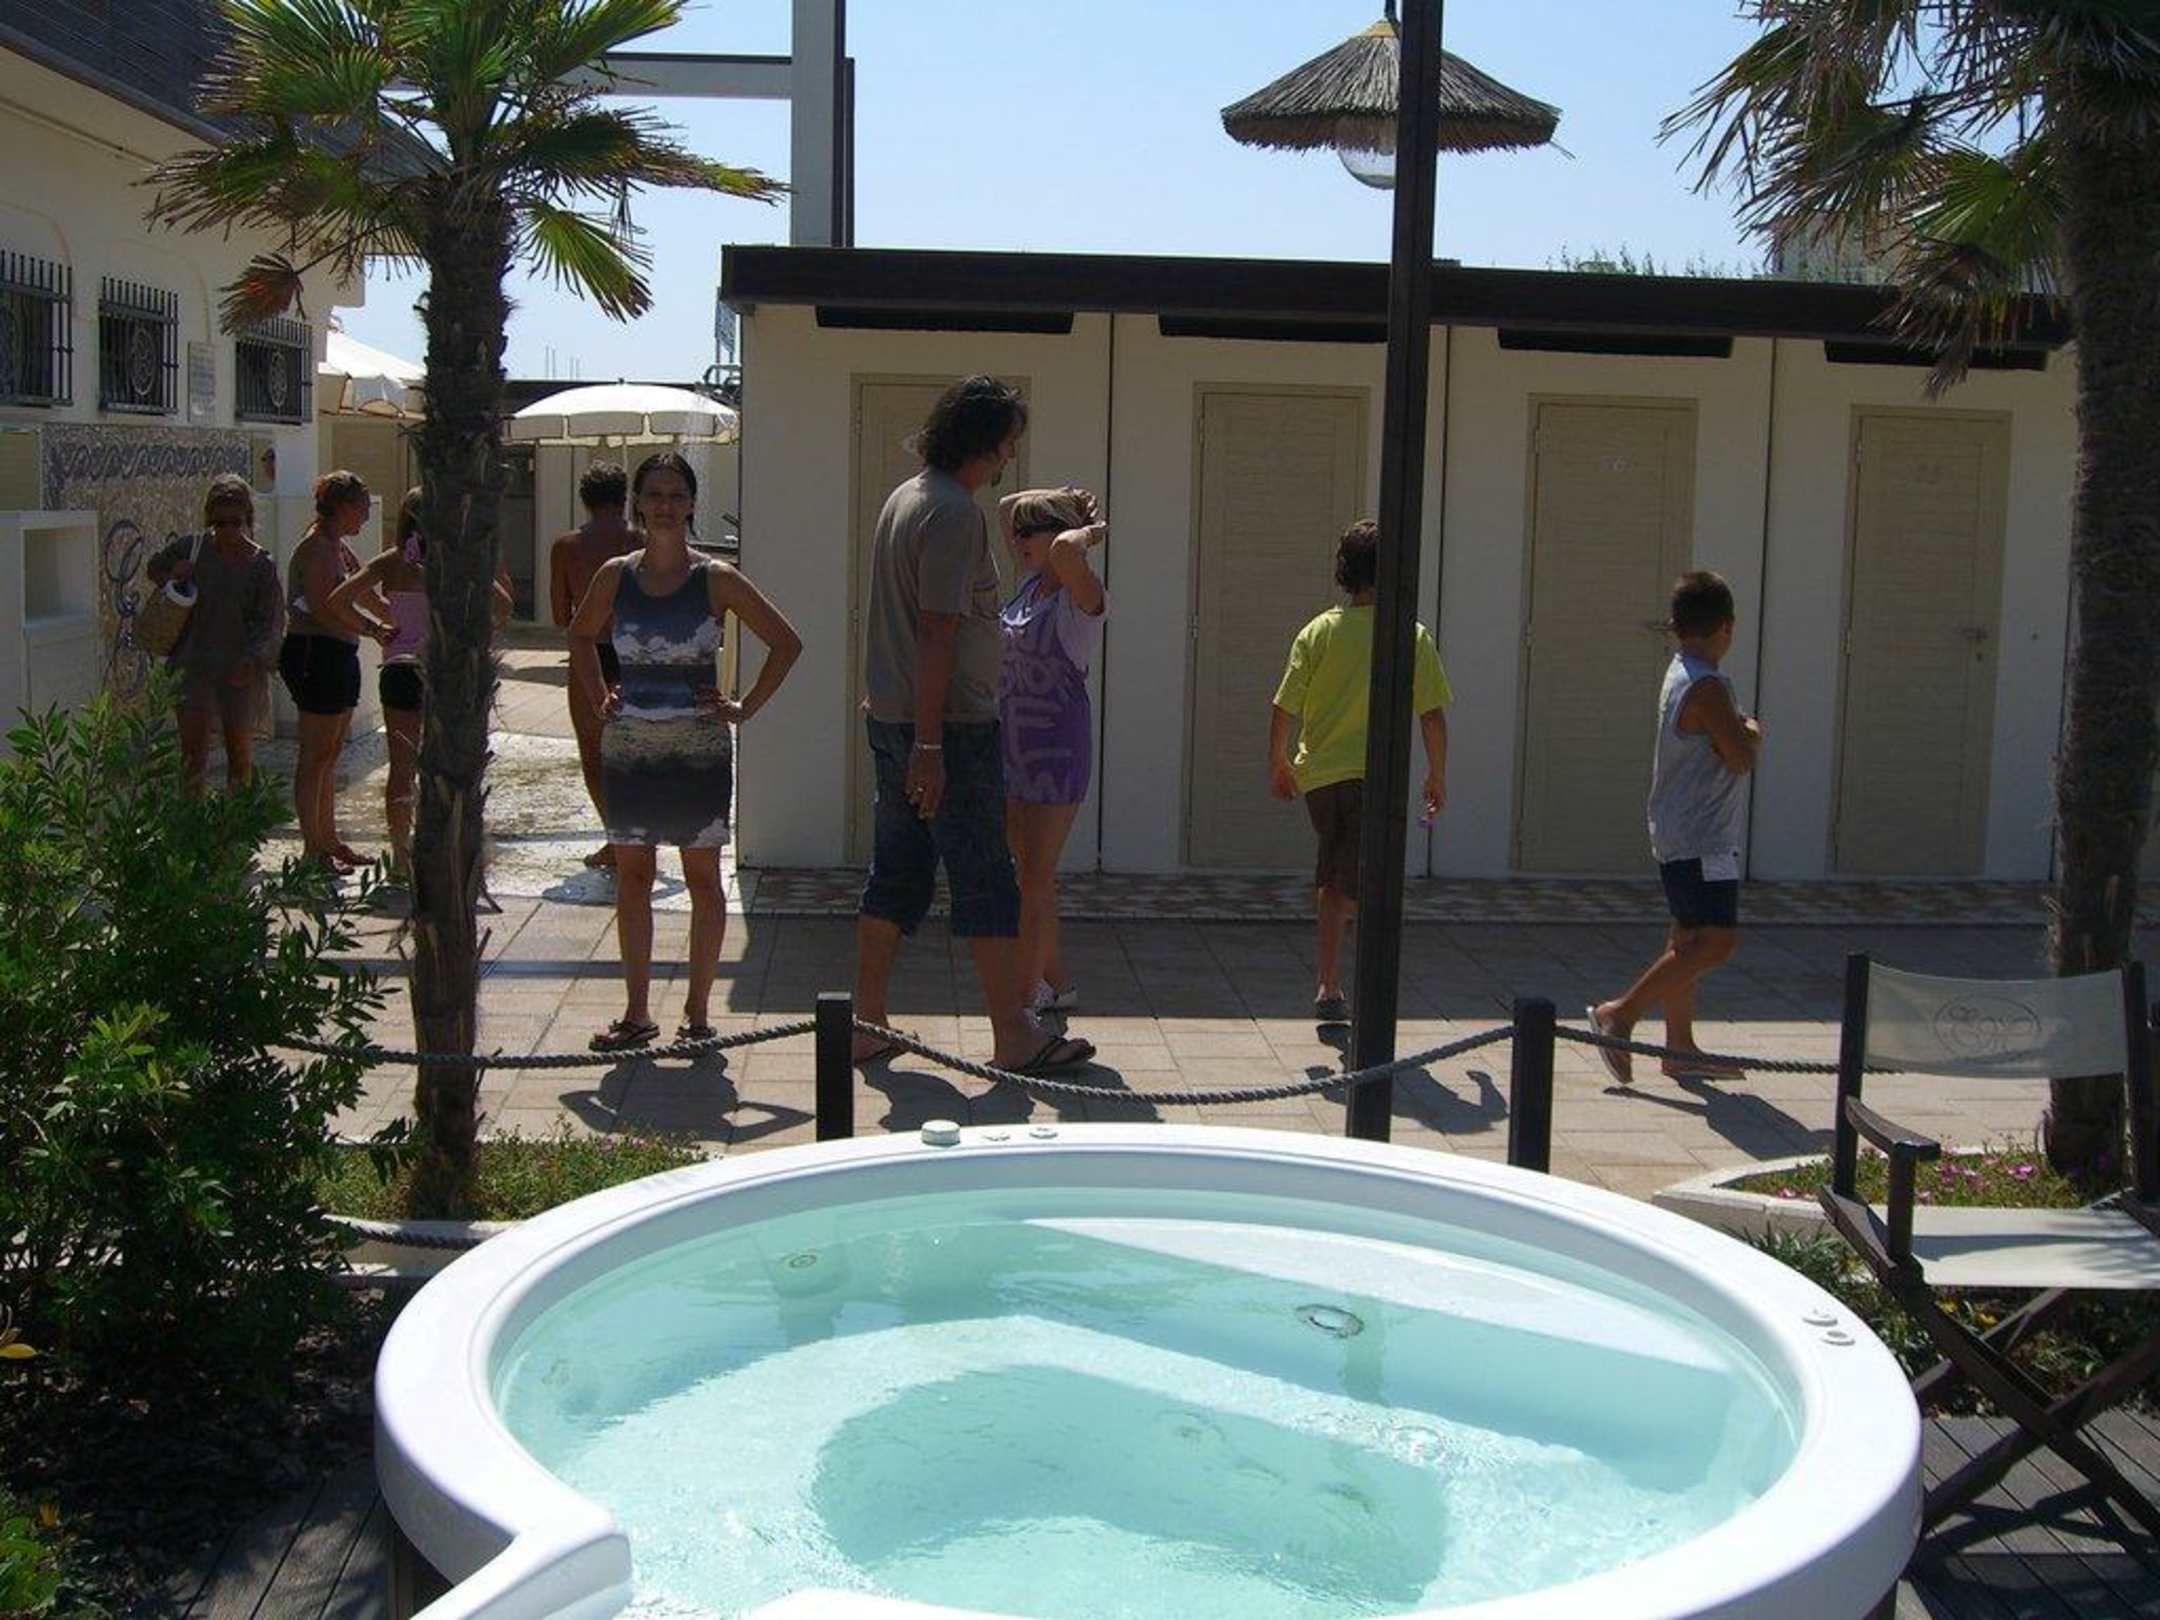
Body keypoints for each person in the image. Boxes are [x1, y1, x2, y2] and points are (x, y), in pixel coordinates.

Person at [852, 375, 1094, 1075]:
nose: (1009, 459)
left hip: (897, 719)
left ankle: (865, 1022)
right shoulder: (954, 514)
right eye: (1007, 444)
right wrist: (931, 745)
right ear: (981, 441)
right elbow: (938, 630)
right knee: (987, 879)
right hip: (947, 730)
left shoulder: (908, 496)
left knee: (897, 874)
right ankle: (1014, 1037)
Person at [569, 451, 801, 1052]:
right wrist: (598, 696)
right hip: (630, 751)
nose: (666, 506)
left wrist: (744, 707)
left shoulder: (715, 578)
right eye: (655, 494)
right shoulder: (615, 575)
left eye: (676, 495)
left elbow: (786, 642)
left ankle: (697, 1017)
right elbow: (581, 634)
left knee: (702, 881)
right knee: (633, 877)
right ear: (638, 504)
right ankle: (636, 1014)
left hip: (698, 754)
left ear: (692, 503)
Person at [1268, 519, 1450, 1026]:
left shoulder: (1318, 631)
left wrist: (1278, 761)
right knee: (1359, 884)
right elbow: (1432, 714)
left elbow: (1284, 705)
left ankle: (1330, 983)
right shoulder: (1409, 635)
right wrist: (1437, 773)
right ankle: (1351, 983)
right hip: (1374, 776)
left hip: (1320, 779)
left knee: (1335, 876)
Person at [1589, 571, 1761, 1082]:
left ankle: (1679, 1048)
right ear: (1726, 627)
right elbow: (1740, 757)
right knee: (1716, 942)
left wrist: (1736, 732)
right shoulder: (1707, 685)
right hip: (1703, 837)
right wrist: (1753, 730)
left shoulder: (1681, 671)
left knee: (1686, 937)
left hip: (1678, 830)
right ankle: (1620, 1014)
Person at [326, 488, 513, 880]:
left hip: (399, 669)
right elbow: (503, 605)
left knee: (401, 768)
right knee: (447, 766)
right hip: (444, 672)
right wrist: (472, 638)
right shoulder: (457, 560)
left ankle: (399, 857)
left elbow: (338, 600)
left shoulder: (391, 561)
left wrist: (374, 629)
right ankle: (446, 850)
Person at [996, 486, 1107, 1017]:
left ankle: (1026, 997)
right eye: (1019, 533)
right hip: (1014, 744)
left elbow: (1065, 551)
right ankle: (1056, 981)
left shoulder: (1079, 595)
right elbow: (1003, 507)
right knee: (1028, 875)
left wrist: (1090, 531)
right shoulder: (1028, 587)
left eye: (1031, 531)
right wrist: (1062, 494)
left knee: (1036, 875)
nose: (1019, 539)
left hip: (1057, 749)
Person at [146, 473, 284, 792]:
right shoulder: (192, 549)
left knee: (239, 755)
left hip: (238, 669)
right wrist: (172, 575)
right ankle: (192, 817)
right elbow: (154, 567)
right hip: (193, 663)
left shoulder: (260, 565)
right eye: (220, 523)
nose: (228, 531)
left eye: (236, 523)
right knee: (193, 756)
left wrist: (253, 658)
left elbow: (270, 621)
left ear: (247, 520)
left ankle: (236, 818)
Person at [278, 469, 374, 870]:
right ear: (343, 507)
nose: (366, 516)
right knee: (315, 755)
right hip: (314, 654)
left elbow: (363, 589)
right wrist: (371, 629)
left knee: (332, 753)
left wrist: (395, 620)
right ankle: (312, 850)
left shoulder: (338, 547)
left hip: (339, 654)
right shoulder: (316, 547)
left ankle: (328, 838)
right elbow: (322, 607)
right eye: (363, 508)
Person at [550, 460, 639, 870]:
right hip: (637, 654)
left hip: (592, 653)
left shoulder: (567, 546)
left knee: (593, 752)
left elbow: (560, 615)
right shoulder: (641, 542)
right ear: (624, 498)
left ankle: (615, 839)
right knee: (638, 751)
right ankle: (637, 837)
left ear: (584, 500)